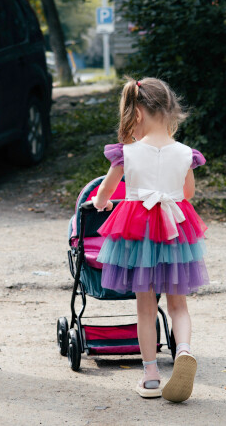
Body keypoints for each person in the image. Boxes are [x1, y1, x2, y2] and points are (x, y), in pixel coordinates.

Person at [91, 77, 209, 402]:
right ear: (170, 110)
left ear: (138, 113)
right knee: (178, 304)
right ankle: (183, 351)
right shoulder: (185, 153)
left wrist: (101, 203)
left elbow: (104, 193)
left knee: (145, 307)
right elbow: (187, 193)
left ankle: (151, 377)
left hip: (139, 232)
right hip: (174, 229)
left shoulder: (126, 154)